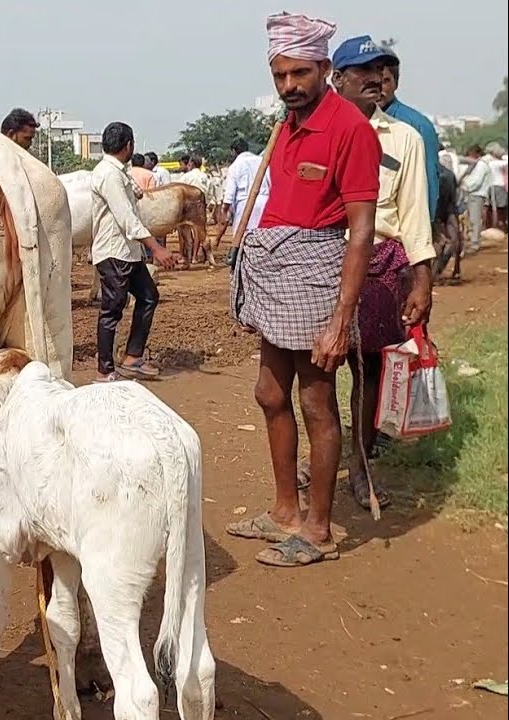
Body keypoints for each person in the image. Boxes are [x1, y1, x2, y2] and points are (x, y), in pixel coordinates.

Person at [226, 12, 381, 568]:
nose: (289, 85)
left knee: (316, 402)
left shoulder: (350, 129)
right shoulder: (286, 127)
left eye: (299, 74)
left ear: (324, 67)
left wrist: (341, 320)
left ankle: (318, 530)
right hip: (277, 277)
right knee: (270, 393)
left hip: (318, 279)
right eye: (279, 76)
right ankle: (284, 510)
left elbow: (360, 230)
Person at [325, 35, 435, 512]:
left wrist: (423, 278)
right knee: (318, 372)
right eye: (363, 71)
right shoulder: (316, 130)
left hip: (380, 264)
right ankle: (325, 457)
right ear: (338, 79)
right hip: (323, 259)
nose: (375, 79)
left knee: (367, 372)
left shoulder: (404, 138)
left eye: (381, 70)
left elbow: (413, 213)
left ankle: (359, 462)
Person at [90, 121, 178, 383]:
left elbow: (135, 195)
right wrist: (157, 248)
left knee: (149, 296)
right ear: (128, 145)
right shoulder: (108, 174)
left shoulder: (119, 172)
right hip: (114, 252)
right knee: (112, 309)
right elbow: (127, 218)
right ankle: (104, 370)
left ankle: (132, 358)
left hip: (128, 252)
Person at [378, 48, 442, 234]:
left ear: (396, 83)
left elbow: (429, 180)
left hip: (401, 230)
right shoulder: (356, 122)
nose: (379, 88)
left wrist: (423, 232)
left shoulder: (418, 126)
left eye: (385, 81)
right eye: (373, 81)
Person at [215, 138, 272, 266]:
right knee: (264, 238)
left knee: (241, 240)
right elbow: (272, 185)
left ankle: (244, 265)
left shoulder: (235, 166)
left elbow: (229, 196)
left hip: (244, 205)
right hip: (265, 202)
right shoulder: (262, 161)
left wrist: (223, 215)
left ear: (233, 151)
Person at [458, 145, 493, 253]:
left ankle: (475, 243)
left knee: (474, 219)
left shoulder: (481, 165)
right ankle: (473, 241)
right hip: (474, 194)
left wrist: (464, 185)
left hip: (476, 194)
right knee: (472, 219)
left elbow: (476, 182)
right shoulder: (481, 164)